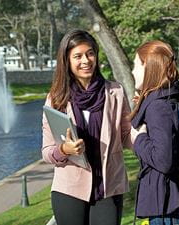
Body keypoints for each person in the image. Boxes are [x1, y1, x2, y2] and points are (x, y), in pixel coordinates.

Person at [41, 29, 134, 225]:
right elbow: (47, 151)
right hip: (69, 188)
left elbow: (126, 134)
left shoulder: (115, 91)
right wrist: (63, 150)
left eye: (90, 53)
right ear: (67, 60)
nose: (86, 60)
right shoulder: (56, 98)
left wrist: (149, 141)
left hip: (108, 187)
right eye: (78, 56)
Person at [129, 40, 179, 225]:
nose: (133, 72)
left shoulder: (158, 106)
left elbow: (163, 161)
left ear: (148, 68)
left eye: (135, 66)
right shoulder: (175, 97)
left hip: (171, 206)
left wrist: (139, 138)